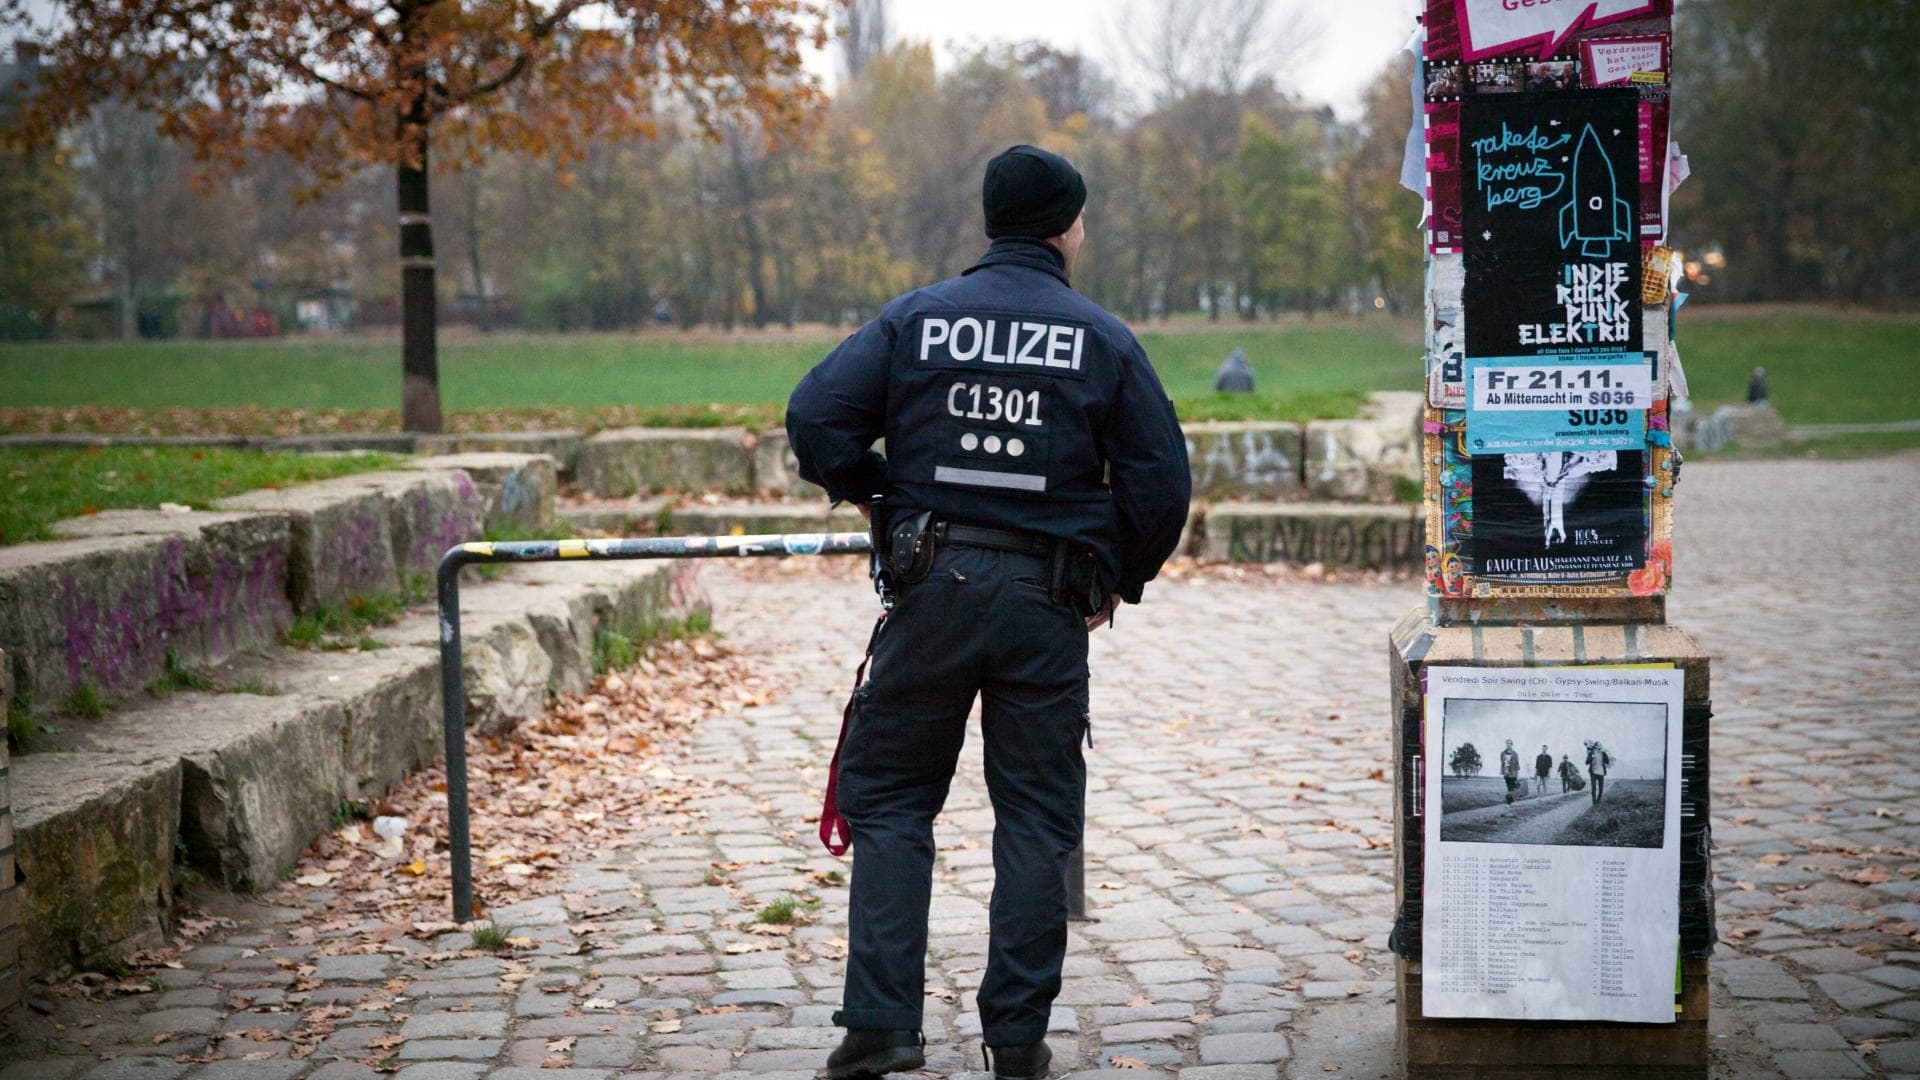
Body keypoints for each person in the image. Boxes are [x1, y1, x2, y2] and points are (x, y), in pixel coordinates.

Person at [787, 144, 1192, 1080]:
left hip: (930, 590)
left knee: (888, 804)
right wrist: (1114, 579)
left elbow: (816, 418)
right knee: (1037, 819)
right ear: (1066, 227)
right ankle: (1016, 1040)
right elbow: (1161, 485)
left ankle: (880, 1025)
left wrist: (879, 491)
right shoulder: (1102, 337)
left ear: (991, 221)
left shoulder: (917, 319)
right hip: (1046, 603)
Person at [1500, 739, 1520, 805]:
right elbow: (1502, 763)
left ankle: (1508, 802)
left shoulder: (1515, 754)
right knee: (1509, 787)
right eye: (1507, 743)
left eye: (1509, 743)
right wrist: (1503, 772)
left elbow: (1517, 764)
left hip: (1513, 773)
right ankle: (1510, 801)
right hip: (1506, 773)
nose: (1508, 744)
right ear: (1506, 744)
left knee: (1511, 788)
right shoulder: (1503, 753)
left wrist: (1517, 775)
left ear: (1512, 744)